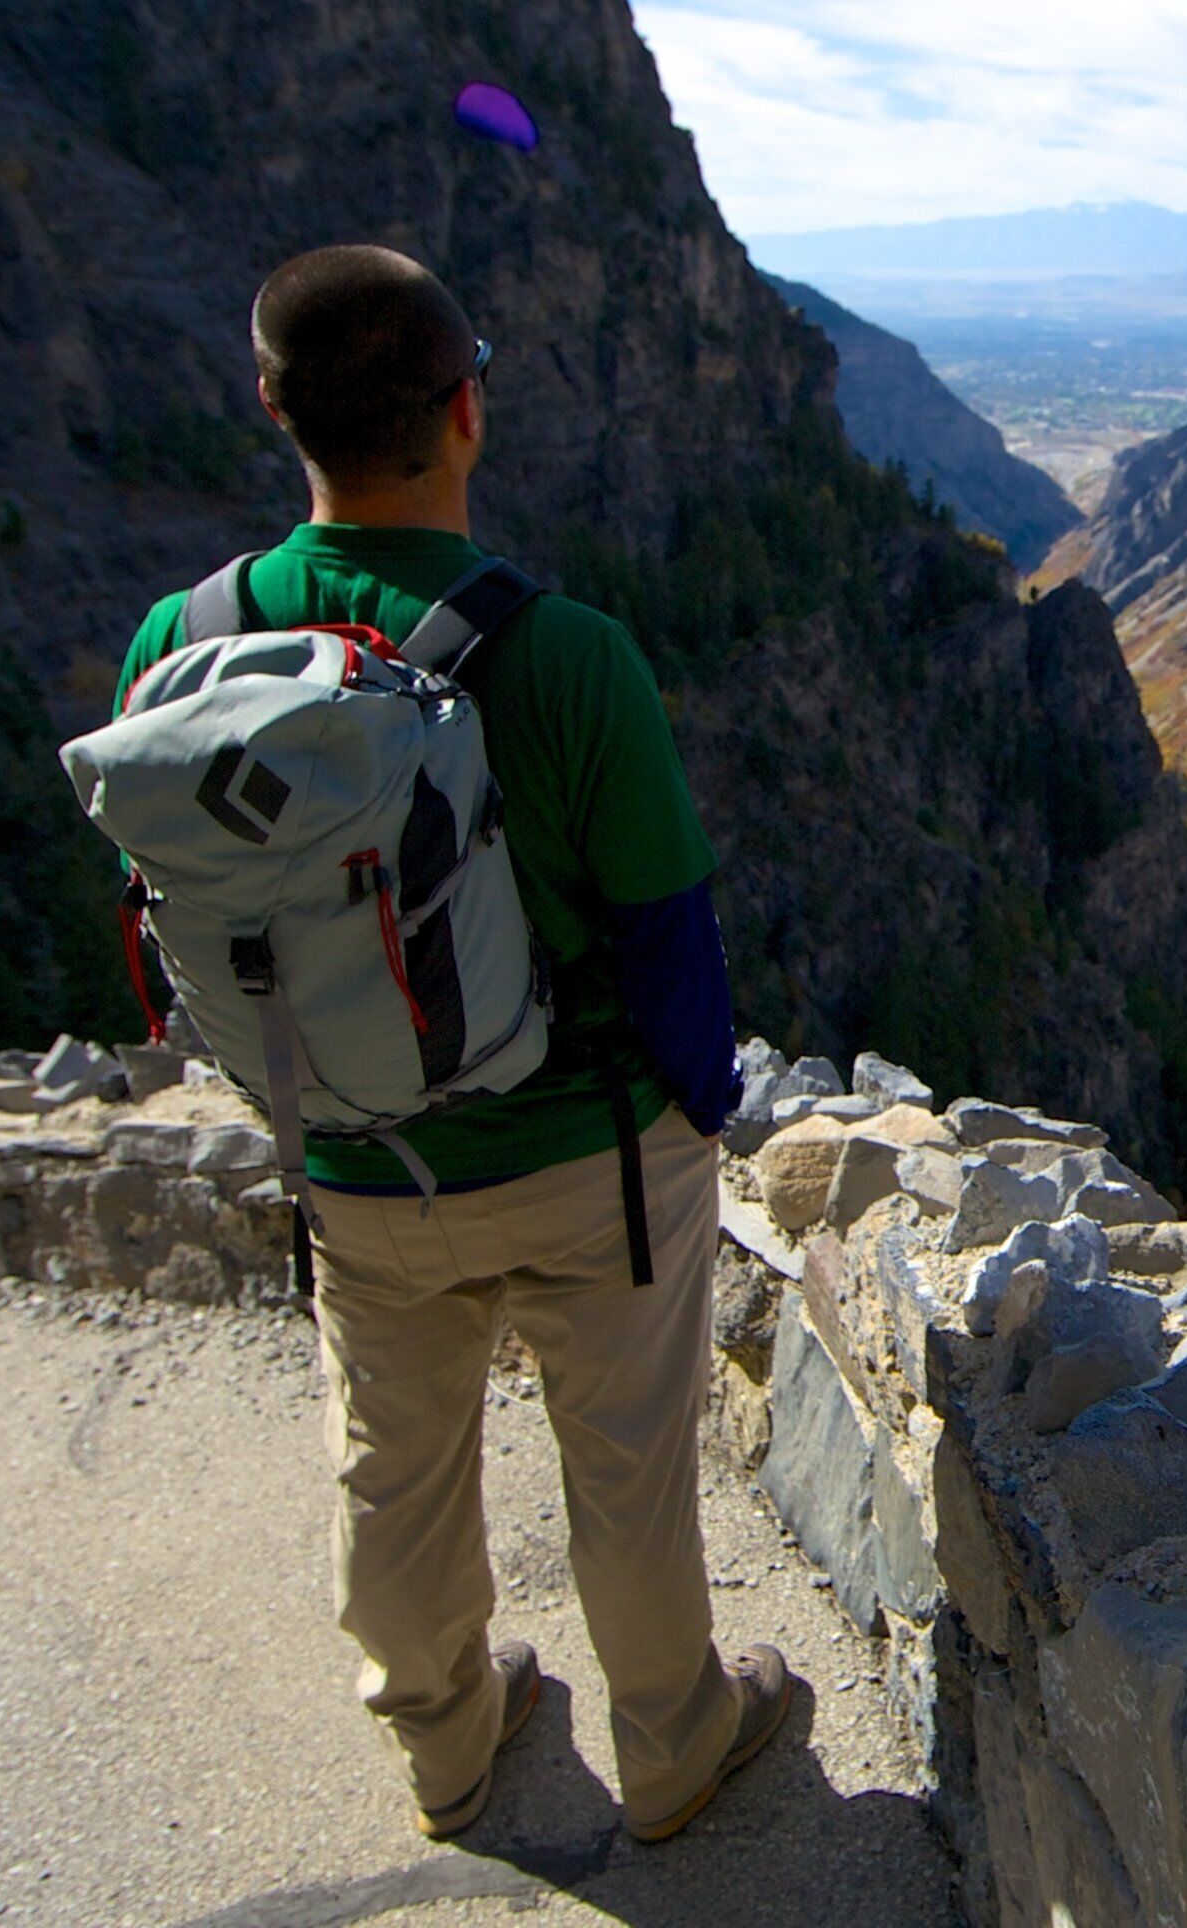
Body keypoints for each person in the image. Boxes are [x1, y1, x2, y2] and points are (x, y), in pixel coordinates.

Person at [115, 245, 795, 1844]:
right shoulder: (566, 659)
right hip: (591, 1161)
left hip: (353, 1156)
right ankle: (677, 1740)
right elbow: (667, 940)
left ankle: (443, 1740)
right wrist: (697, 1116)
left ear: (275, 410)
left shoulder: (177, 639)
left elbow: (182, 907)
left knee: (393, 1463)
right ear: (467, 410)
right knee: (623, 1463)